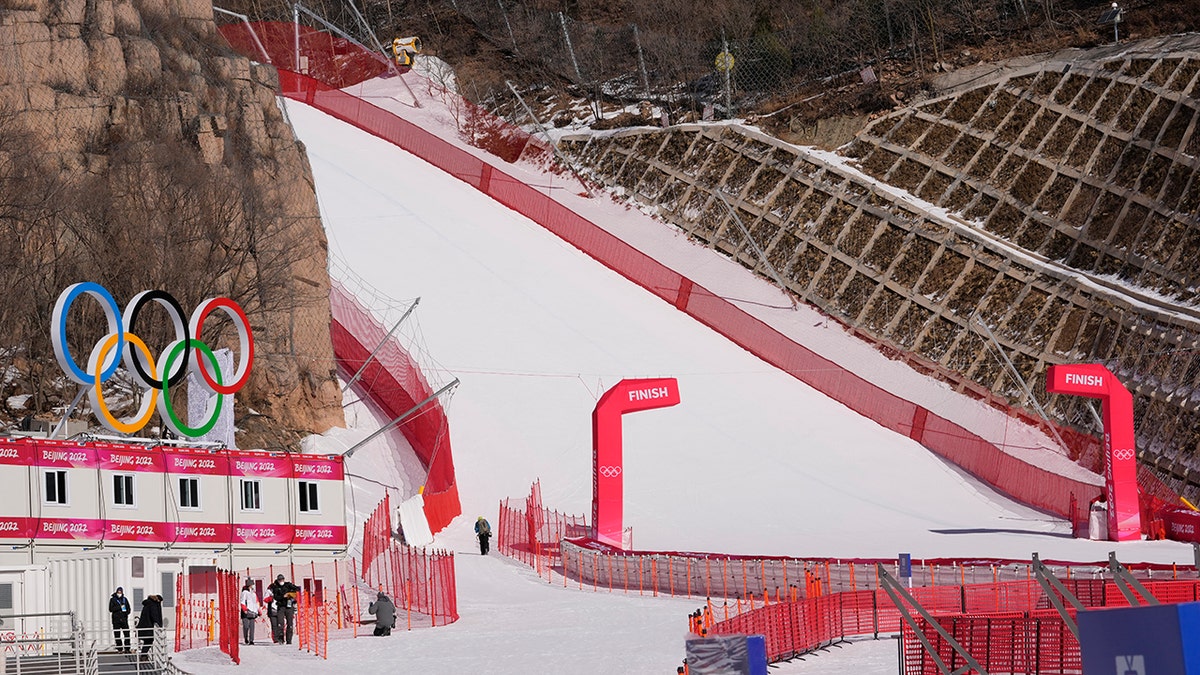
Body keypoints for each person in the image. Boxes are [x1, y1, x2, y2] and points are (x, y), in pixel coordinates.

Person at [267, 574, 300, 644]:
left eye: (282, 579)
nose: (281, 581)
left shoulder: (288, 585)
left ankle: (289, 640)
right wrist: (283, 596)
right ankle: (281, 639)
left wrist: (291, 594)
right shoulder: (276, 587)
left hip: (289, 606)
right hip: (281, 606)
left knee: (290, 624)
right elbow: (276, 597)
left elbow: (297, 589)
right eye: (280, 580)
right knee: (280, 624)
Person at [108, 586, 131, 653]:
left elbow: (129, 608)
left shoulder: (125, 599)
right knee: (117, 634)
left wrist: (126, 612)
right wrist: (119, 607)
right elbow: (111, 609)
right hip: (116, 620)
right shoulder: (113, 600)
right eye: (118, 592)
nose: (119, 593)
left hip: (124, 619)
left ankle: (127, 648)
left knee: (127, 634)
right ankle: (119, 648)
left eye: (120, 592)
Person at [239, 579, 261, 645]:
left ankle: (251, 640)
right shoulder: (244, 592)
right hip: (246, 611)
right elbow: (242, 601)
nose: (253, 586)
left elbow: (256, 602)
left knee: (252, 626)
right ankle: (246, 638)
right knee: (246, 626)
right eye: (252, 584)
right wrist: (244, 609)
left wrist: (258, 610)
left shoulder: (253, 593)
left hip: (253, 611)